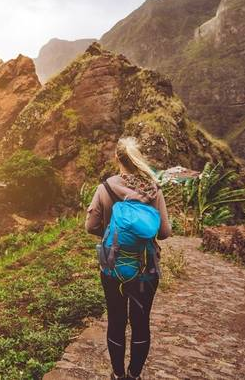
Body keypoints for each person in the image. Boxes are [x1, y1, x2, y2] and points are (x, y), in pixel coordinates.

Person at [85, 137, 171, 380]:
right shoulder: (154, 189)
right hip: (147, 268)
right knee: (141, 322)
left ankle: (117, 374)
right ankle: (134, 375)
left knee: (116, 319)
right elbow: (164, 233)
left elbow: (90, 226)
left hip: (113, 268)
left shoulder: (106, 188)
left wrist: (112, 232)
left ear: (117, 159)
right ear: (138, 158)